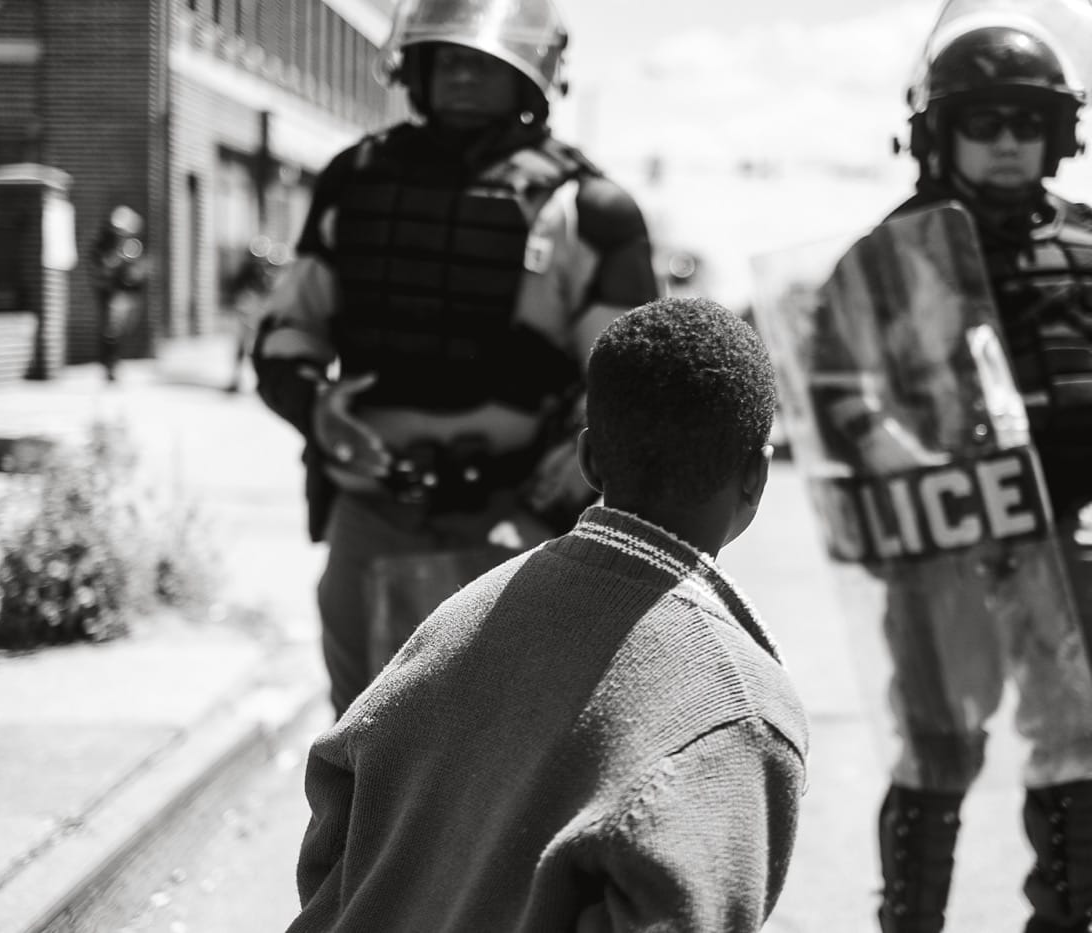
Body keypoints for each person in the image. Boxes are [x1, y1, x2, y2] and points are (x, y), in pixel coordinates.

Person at [286, 297, 808, 933]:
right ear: (756, 476)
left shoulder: (464, 612)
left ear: (588, 461)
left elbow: (334, 817)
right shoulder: (739, 712)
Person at [252, 0, 660, 718]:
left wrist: (554, 498)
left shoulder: (590, 208)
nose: (463, 76)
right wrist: (317, 410)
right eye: (448, 60)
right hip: (373, 514)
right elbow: (289, 330)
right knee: (359, 748)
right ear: (415, 68)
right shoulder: (353, 180)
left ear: (532, 77)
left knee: (496, 764)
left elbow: (626, 386)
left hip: (520, 524)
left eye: (485, 62)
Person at [861, 4, 1092, 932]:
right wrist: (905, 495)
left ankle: (1070, 916)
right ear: (940, 133)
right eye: (984, 121)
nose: (1009, 140)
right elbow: (845, 401)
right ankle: (913, 918)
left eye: (1029, 120)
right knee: (938, 742)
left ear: (1060, 133)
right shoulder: (896, 250)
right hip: (946, 536)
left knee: (1076, 736)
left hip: (1069, 534)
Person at [89, 205, 148, 382]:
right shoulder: (103, 246)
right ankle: (109, 364)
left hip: (124, 294)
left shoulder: (131, 246)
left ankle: (114, 362)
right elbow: (100, 269)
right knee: (110, 330)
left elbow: (136, 273)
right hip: (109, 293)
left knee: (118, 330)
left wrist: (135, 271)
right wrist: (115, 262)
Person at [223, 235, 283, 393]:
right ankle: (239, 379)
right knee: (245, 349)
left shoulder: (268, 274)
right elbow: (235, 291)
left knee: (257, 350)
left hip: (258, 316)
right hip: (247, 315)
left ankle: (257, 381)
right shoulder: (248, 273)